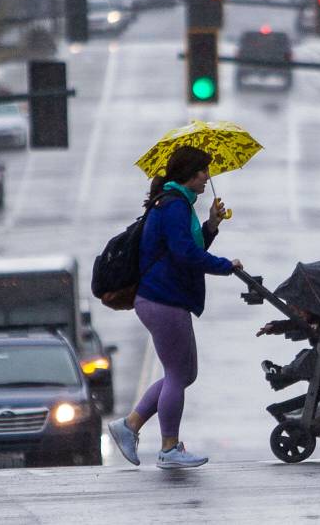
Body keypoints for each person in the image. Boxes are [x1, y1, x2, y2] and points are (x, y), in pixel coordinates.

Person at [108, 146, 242, 469]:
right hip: (162, 299)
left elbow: (186, 249)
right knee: (178, 374)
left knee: (184, 373)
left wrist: (211, 224)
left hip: (165, 298)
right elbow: (185, 256)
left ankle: (130, 426)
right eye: (204, 172)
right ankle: (168, 447)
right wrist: (226, 266)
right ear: (190, 174)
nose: (208, 177)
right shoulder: (173, 207)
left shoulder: (178, 204)